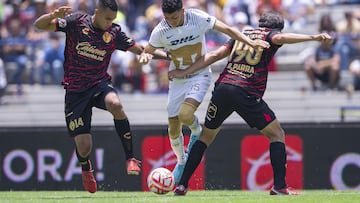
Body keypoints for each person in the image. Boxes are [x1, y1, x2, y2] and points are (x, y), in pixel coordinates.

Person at [168, 11, 332, 195]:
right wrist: (312, 37)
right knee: (277, 134)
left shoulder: (243, 34)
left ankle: (182, 184)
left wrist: (184, 72)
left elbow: (215, 55)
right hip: (245, 91)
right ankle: (279, 186)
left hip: (223, 88)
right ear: (275, 28)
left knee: (205, 137)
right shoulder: (270, 35)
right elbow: (280, 37)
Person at [33, 0, 168, 193]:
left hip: (99, 84)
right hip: (76, 91)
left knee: (115, 104)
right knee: (84, 146)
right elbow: (38, 25)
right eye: (107, 18)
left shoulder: (113, 32)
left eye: (112, 19)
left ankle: (130, 158)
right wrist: (53, 16)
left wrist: (168, 56)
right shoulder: (77, 22)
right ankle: (86, 167)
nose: (109, 23)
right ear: (96, 12)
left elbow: (140, 49)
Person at [139, 0, 270, 185]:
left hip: (199, 75)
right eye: (167, 18)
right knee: (173, 127)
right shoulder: (160, 30)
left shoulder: (198, 17)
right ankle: (181, 161)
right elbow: (148, 50)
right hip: (177, 78)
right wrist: (146, 55)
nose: (172, 21)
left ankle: (196, 129)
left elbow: (227, 30)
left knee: (186, 114)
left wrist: (249, 41)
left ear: (182, 11)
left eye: (175, 17)